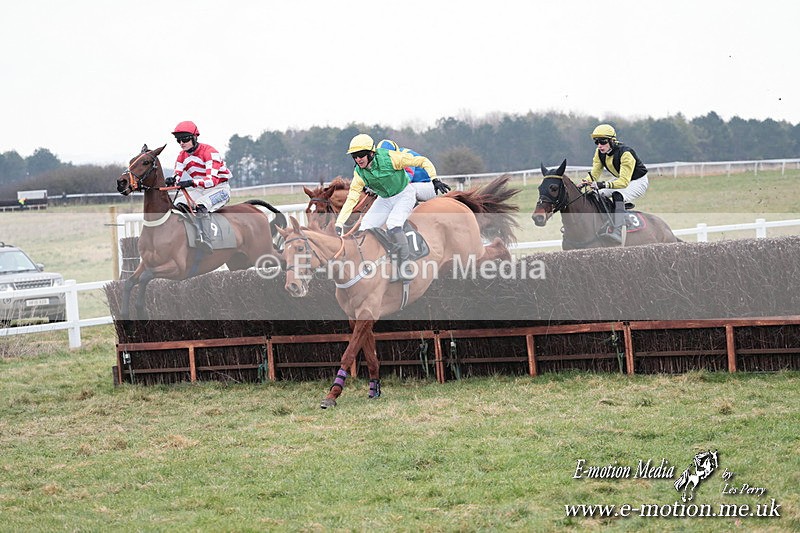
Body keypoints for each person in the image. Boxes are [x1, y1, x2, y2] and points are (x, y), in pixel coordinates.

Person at [335, 133, 438, 282]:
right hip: (384, 198)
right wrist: (339, 223)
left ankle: (405, 268)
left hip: (404, 194)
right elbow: (352, 199)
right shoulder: (359, 173)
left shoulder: (391, 158)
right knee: (365, 227)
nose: (358, 159)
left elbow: (422, 161)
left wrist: (434, 179)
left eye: (361, 155)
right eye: (354, 156)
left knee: (393, 224)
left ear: (371, 153)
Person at [165, 120, 233, 253]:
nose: (181, 143)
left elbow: (211, 180)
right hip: (199, 190)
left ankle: (207, 240)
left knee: (200, 206)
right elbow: (177, 175)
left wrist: (191, 182)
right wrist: (172, 181)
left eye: (185, 139)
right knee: (177, 205)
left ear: (194, 137)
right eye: (178, 140)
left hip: (219, 188)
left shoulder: (210, 152)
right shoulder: (182, 156)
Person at [581, 124, 649, 244]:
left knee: (618, 195)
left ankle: (617, 231)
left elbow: (623, 182)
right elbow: (595, 173)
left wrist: (602, 184)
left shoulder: (626, 153)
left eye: (603, 141)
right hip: (622, 180)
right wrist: (584, 183)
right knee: (596, 195)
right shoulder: (599, 152)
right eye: (596, 142)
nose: (599, 145)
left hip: (638, 181)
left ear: (612, 141)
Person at [377, 139, 451, 201]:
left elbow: (406, 180)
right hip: (415, 185)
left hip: (429, 186)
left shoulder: (404, 156)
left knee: (404, 190)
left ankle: (415, 211)